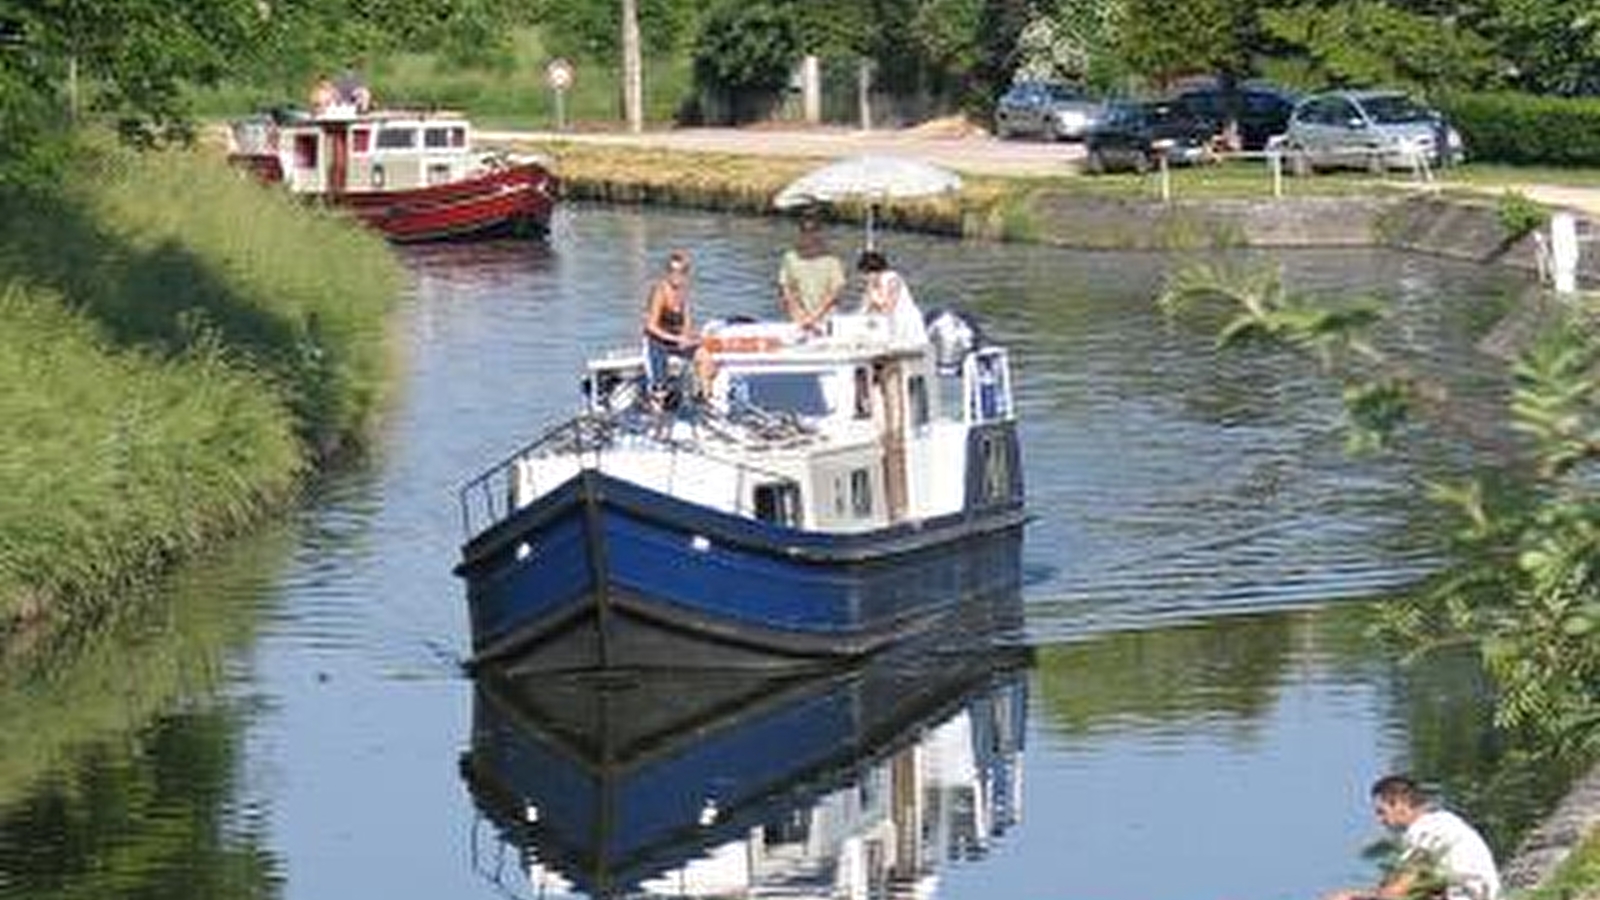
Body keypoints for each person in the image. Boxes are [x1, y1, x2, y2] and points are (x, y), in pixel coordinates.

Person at [1325, 775, 1502, 900]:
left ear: (1400, 804)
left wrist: (1352, 896)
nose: (1380, 820)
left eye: (1382, 812)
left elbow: (1398, 892)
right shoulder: (1444, 820)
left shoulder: (1425, 830)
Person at [642, 249, 714, 405]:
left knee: (704, 356)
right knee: (660, 387)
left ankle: (707, 399)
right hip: (657, 341)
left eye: (681, 272)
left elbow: (686, 322)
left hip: (675, 340)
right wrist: (675, 338)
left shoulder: (683, 293)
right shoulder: (660, 291)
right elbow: (650, 326)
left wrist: (690, 338)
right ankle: (658, 396)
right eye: (672, 271)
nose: (677, 276)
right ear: (667, 272)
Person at [777, 214, 845, 333]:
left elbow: (835, 292)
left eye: (813, 231)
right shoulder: (790, 258)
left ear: (819, 234)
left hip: (826, 319)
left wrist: (815, 316)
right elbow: (786, 289)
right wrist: (798, 314)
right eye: (806, 232)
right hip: (797, 318)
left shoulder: (832, 260)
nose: (810, 236)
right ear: (801, 233)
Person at [857, 249, 926, 346]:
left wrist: (873, 298)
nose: (864, 278)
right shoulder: (871, 285)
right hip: (888, 326)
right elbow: (865, 309)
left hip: (905, 324)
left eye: (865, 273)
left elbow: (888, 307)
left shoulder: (891, 279)